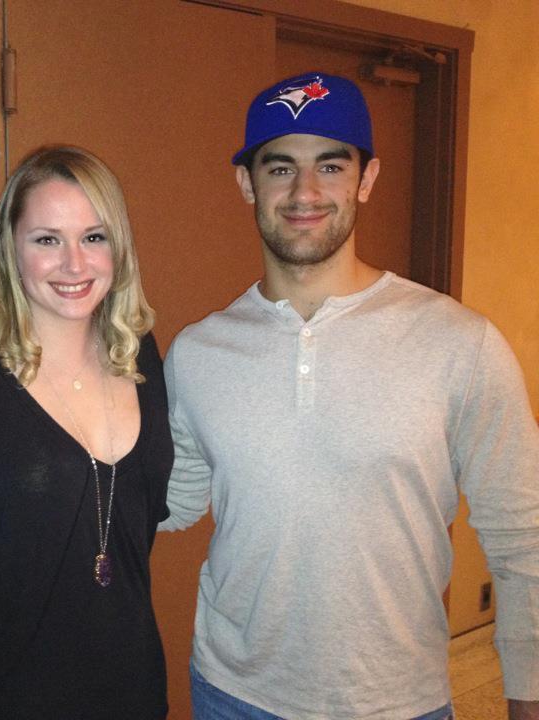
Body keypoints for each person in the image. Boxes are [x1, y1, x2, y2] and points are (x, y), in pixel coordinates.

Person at [160, 72, 539, 720]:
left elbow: (524, 539)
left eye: (330, 165)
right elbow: (170, 503)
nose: (304, 192)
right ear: (247, 183)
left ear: (366, 178)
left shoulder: (460, 343)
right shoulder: (199, 353)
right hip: (232, 693)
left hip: (399, 702)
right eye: (279, 167)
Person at [0, 146, 173, 719]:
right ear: (11, 249)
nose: (74, 264)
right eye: (47, 239)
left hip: (136, 693)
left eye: (94, 237)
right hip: (15, 699)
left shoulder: (139, 358)